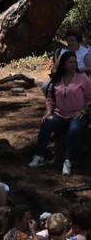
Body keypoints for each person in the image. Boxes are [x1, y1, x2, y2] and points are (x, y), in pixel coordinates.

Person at [30, 47, 91, 175]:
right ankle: (39, 156)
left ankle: (67, 161)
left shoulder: (83, 78)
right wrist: (48, 112)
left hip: (78, 115)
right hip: (60, 114)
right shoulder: (57, 80)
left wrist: (84, 110)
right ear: (63, 64)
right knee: (46, 124)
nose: (74, 65)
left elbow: (90, 98)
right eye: (70, 62)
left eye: (75, 62)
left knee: (74, 130)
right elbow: (50, 99)